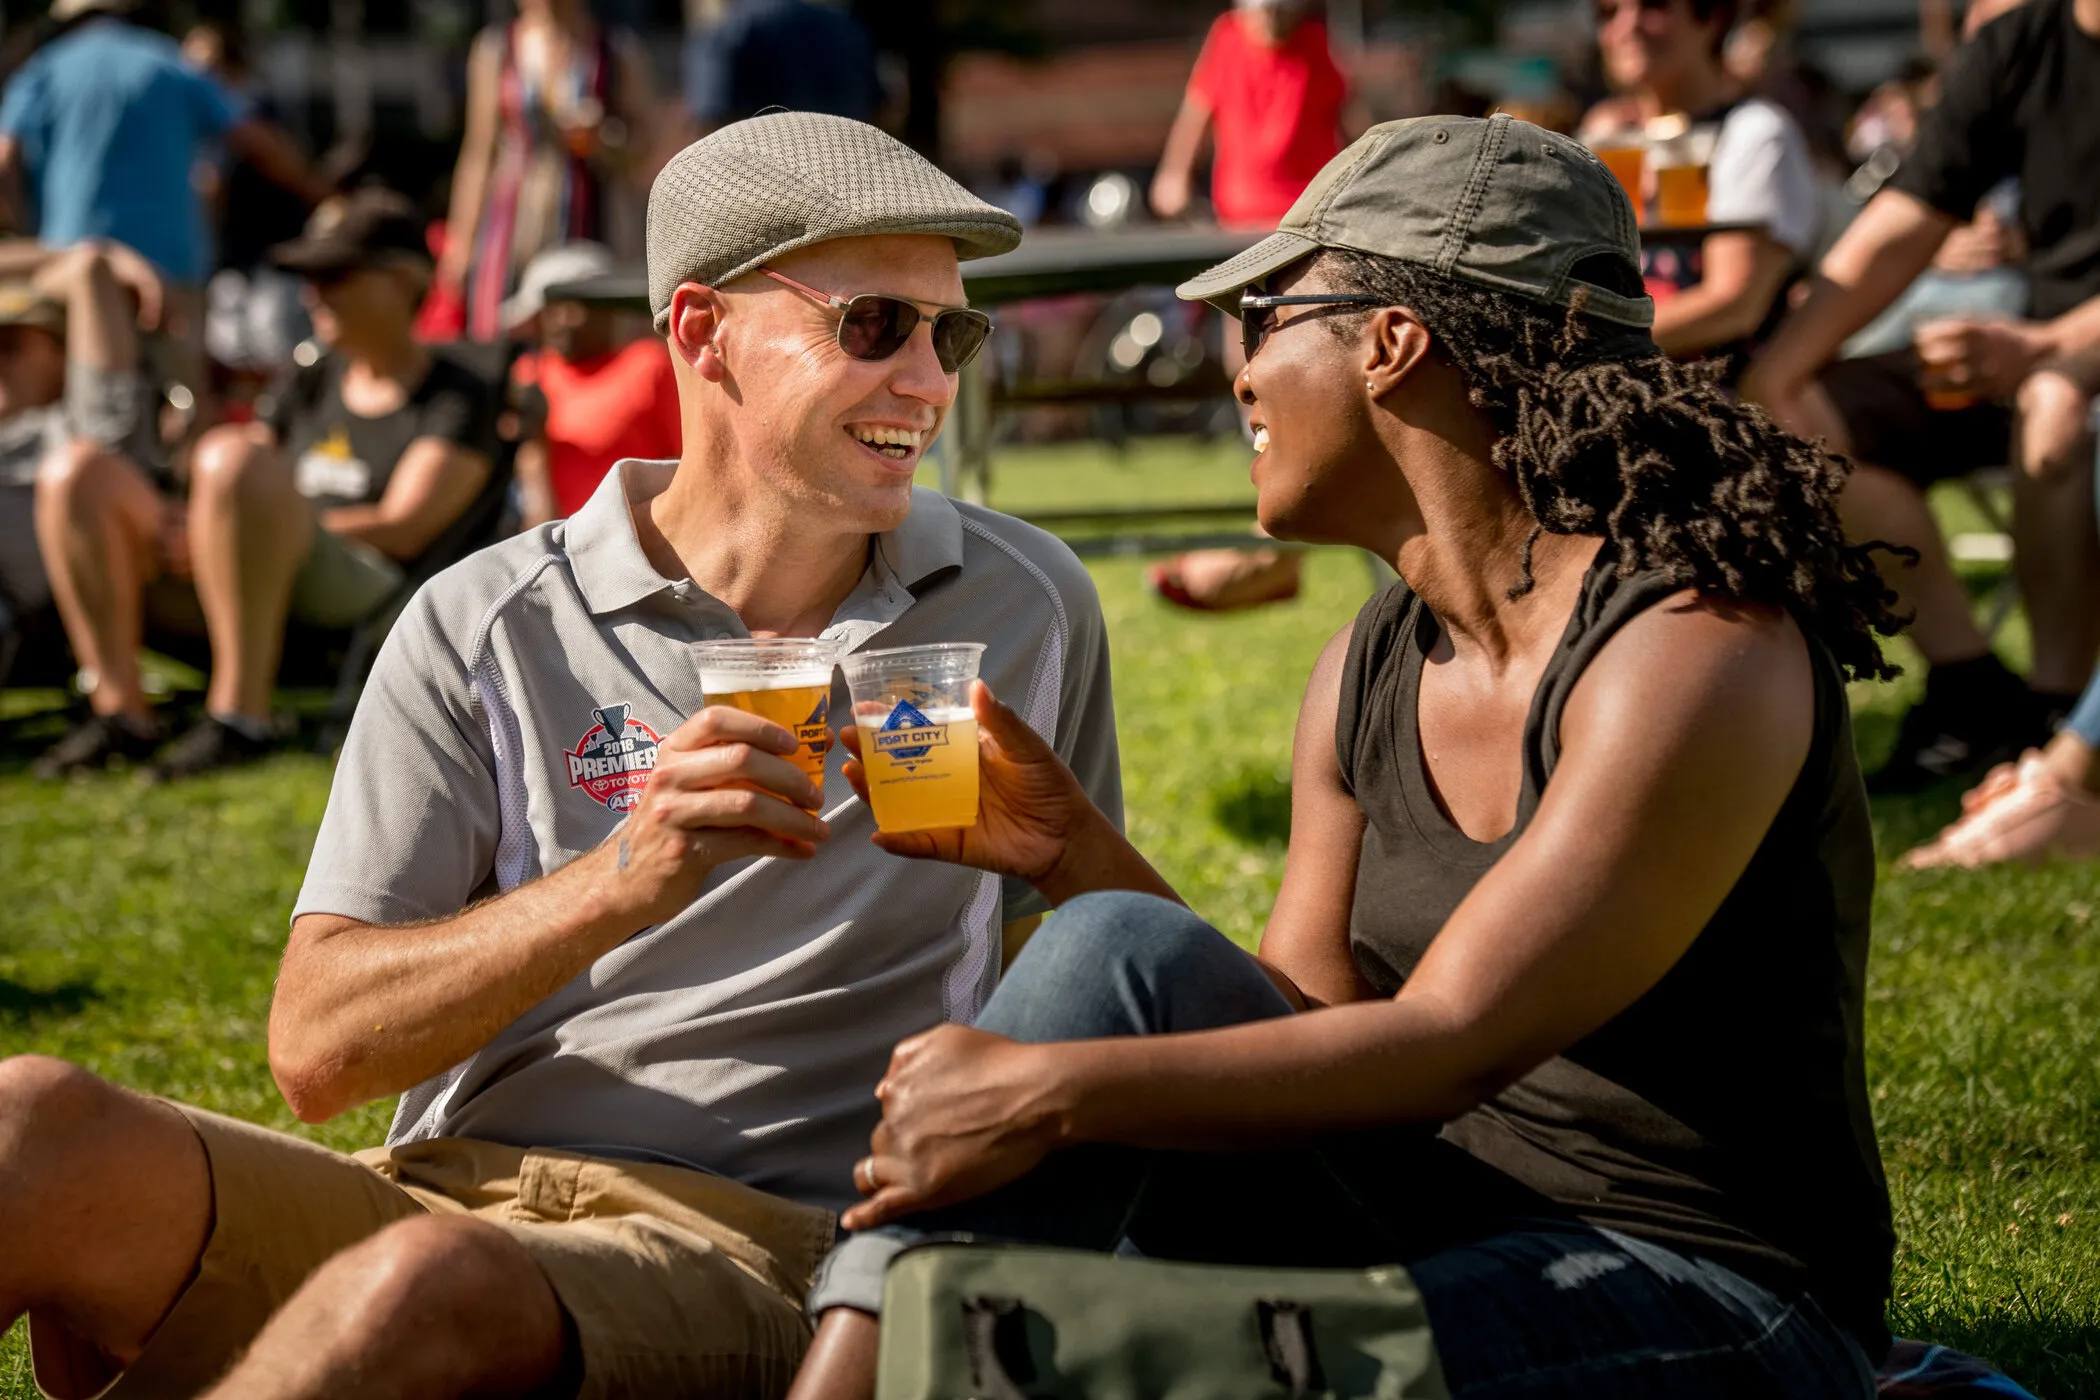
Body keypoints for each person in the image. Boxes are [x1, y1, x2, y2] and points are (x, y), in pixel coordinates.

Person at [0, 112, 1128, 1398]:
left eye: (953, 333)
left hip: (757, 1242)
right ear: (703, 334)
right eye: (874, 324)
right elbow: (318, 1051)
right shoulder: (484, 617)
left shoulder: (1020, 600)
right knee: (34, 1126)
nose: (930, 379)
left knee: (429, 1288)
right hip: (440, 1192)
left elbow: (1103, 978)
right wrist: (622, 878)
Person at [788, 115, 1898, 1400]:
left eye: (1266, 313)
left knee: (1154, 1362)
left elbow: (1451, 1035)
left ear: (1390, 341)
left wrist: (1044, 1091)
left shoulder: (1696, 645)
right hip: (1415, 1209)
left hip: (1696, 1279)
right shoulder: (1366, 667)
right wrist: (1068, 850)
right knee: (1111, 951)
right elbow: (1305, 1036)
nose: (1240, 373)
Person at [1743, 0, 2100, 792]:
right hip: (2020, 347)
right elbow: (1912, 210)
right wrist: (1779, 372)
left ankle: (2058, 717)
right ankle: (1971, 688)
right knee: (1796, 421)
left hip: (2058, 365)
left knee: (2053, 404)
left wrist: (2045, 347)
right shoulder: (2022, 42)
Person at [32, 188, 500, 781]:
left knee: (232, 459)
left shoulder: (457, 390)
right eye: (307, 276)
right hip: (254, 562)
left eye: (333, 274)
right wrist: (200, 518)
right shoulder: (310, 373)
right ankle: (121, 711)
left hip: (362, 583)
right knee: (77, 471)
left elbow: (405, 527)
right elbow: (243, 473)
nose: (312, 292)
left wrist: (245, 524)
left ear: (403, 280)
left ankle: (240, 716)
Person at [1148, 0, 1362, 613]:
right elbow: (1194, 120)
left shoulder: (1317, 45)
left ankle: (1277, 538)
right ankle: (1277, 528)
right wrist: (1174, 175)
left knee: (1305, 375)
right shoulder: (1227, 38)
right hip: (1237, 243)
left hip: (1306, 240)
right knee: (1247, 377)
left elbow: (1354, 130)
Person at [0, 0, 326, 394]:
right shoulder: (169, 63)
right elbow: (259, 143)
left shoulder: (44, 69)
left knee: (88, 401)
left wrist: (23, 232)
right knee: (185, 400)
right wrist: (321, 192)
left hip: (76, 266)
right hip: (173, 267)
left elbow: (4, 162)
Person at [1581, 0, 1821, 373]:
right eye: (1608, 13)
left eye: (1653, 6)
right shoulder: (1606, 138)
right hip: (1619, 378)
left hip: (1720, 393)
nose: (1628, 27)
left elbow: (1733, 304)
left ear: (1711, 20)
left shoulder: (1752, 131)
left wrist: (1584, 344)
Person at [436, 0, 660, 344]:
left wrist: (604, 141)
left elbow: (646, 147)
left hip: (595, 221)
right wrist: (460, 242)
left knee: (592, 337)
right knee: (506, 335)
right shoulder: (496, 49)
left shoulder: (616, 50)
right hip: (512, 225)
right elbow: (480, 152)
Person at [0, 240, 162, 690]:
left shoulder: (78, 428)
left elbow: (88, 271)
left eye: (10, 345)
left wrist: (92, 257)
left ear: (60, 354)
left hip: (39, 622)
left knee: (77, 468)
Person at [504, 241, 681, 526]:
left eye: (572, 307)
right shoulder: (527, 374)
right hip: (549, 545)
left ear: (607, 307)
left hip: (637, 541)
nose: (559, 321)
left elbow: (684, 459)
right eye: (550, 310)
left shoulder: (648, 366)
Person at [684, 0, 881, 135]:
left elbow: (710, 119)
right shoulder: (847, 27)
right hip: (843, 175)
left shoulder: (726, 33)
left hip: (761, 181)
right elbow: (881, 108)